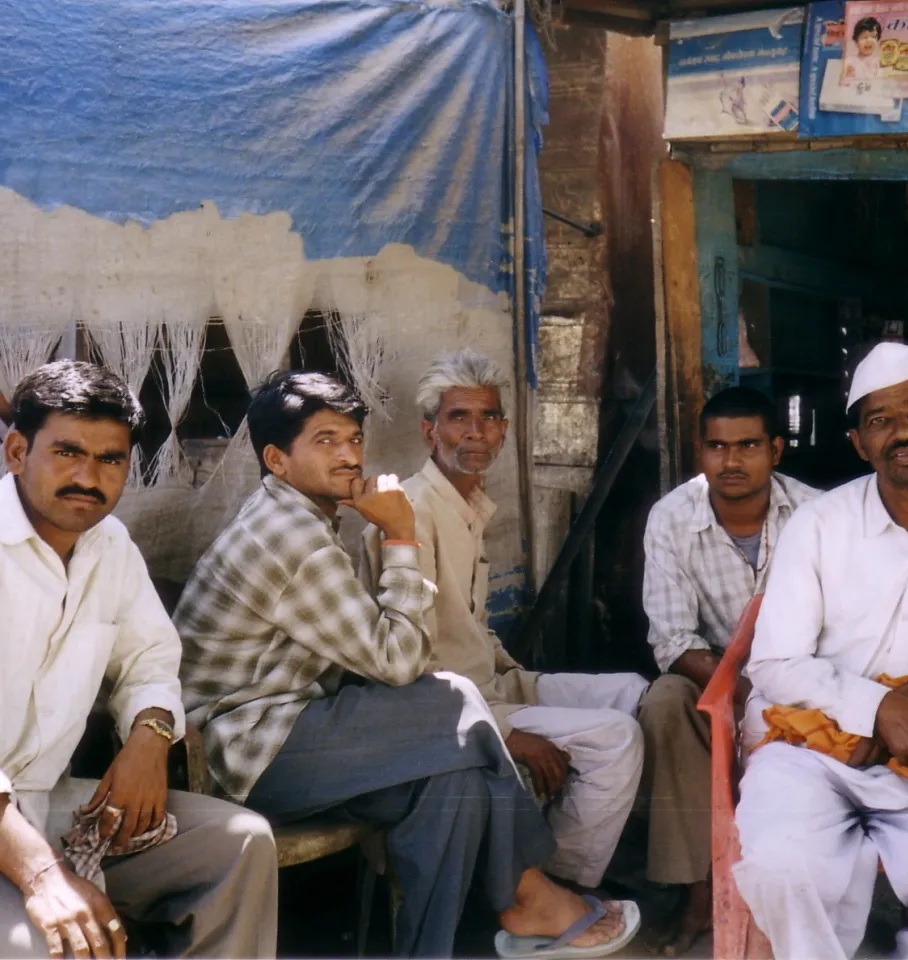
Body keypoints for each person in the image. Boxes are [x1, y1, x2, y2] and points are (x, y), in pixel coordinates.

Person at [175, 370, 641, 960]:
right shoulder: (291, 535)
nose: (349, 456)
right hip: (245, 751)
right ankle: (530, 893)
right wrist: (401, 535)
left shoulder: (302, 518)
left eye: (353, 439)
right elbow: (399, 662)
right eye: (325, 441)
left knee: (453, 782)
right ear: (277, 459)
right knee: (454, 697)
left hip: (295, 734)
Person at [0, 360, 278, 960]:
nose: (88, 477)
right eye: (67, 453)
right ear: (17, 452)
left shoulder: (110, 547)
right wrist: (44, 875)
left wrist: (150, 735)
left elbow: (151, 656)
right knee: (51, 943)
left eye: (110, 459)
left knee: (240, 842)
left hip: (51, 803)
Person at [361, 349, 648, 891]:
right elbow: (405, 663)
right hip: (450, 707)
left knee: (634, 692)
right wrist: (508, 732)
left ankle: (580, 853)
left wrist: (514, 673)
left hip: (491, 684)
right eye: (458, 417)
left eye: (488, 416)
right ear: (429, 431)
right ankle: (552, 883)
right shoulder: (410, 512)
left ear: (504, 430)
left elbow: (471, 622)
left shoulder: (468, 504)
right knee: (617, 737)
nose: (476, 431)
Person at [734, 342, 908, 959]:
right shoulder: (818, 524)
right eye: (880, 420)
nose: (903, 431)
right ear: (860, 443)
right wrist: (879, 708)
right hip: (810, 742)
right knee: (781, 863)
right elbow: (774, 663)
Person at [639, 386, 817, 956]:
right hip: (716, 673)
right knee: (665, 702)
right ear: (701, 451)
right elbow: (672, 639)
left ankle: (804, 898)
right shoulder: (672, 517)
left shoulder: (817, 514)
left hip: (805, 677)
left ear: (776, 450)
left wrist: (782, 690)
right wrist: (739, 691)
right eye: (717, 447)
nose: (731, 461)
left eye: (748, 446)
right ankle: (697, 889)